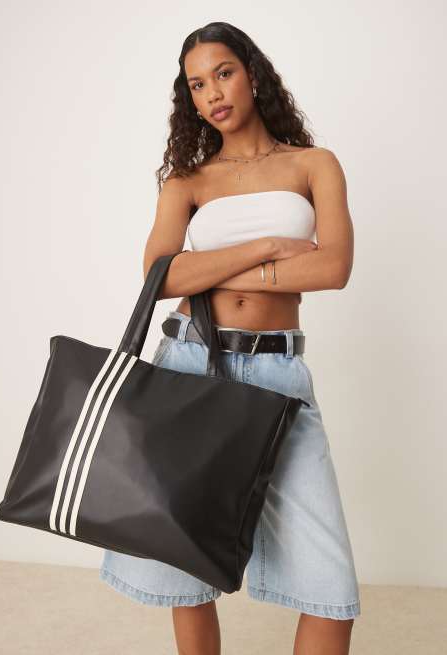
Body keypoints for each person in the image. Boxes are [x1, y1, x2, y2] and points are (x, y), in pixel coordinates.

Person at [100, 21, 360, 655]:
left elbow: (333, 267)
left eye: (223, 73)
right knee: (183, 567)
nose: (212, 92)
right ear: (189, 100)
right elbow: (161, 277)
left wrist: (210, 268)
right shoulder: (186, 182)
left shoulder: (313, 164)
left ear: (253, 74)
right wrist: (268, 247)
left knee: (330, 588)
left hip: (280, 375)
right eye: (196, 84)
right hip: (191, 363)